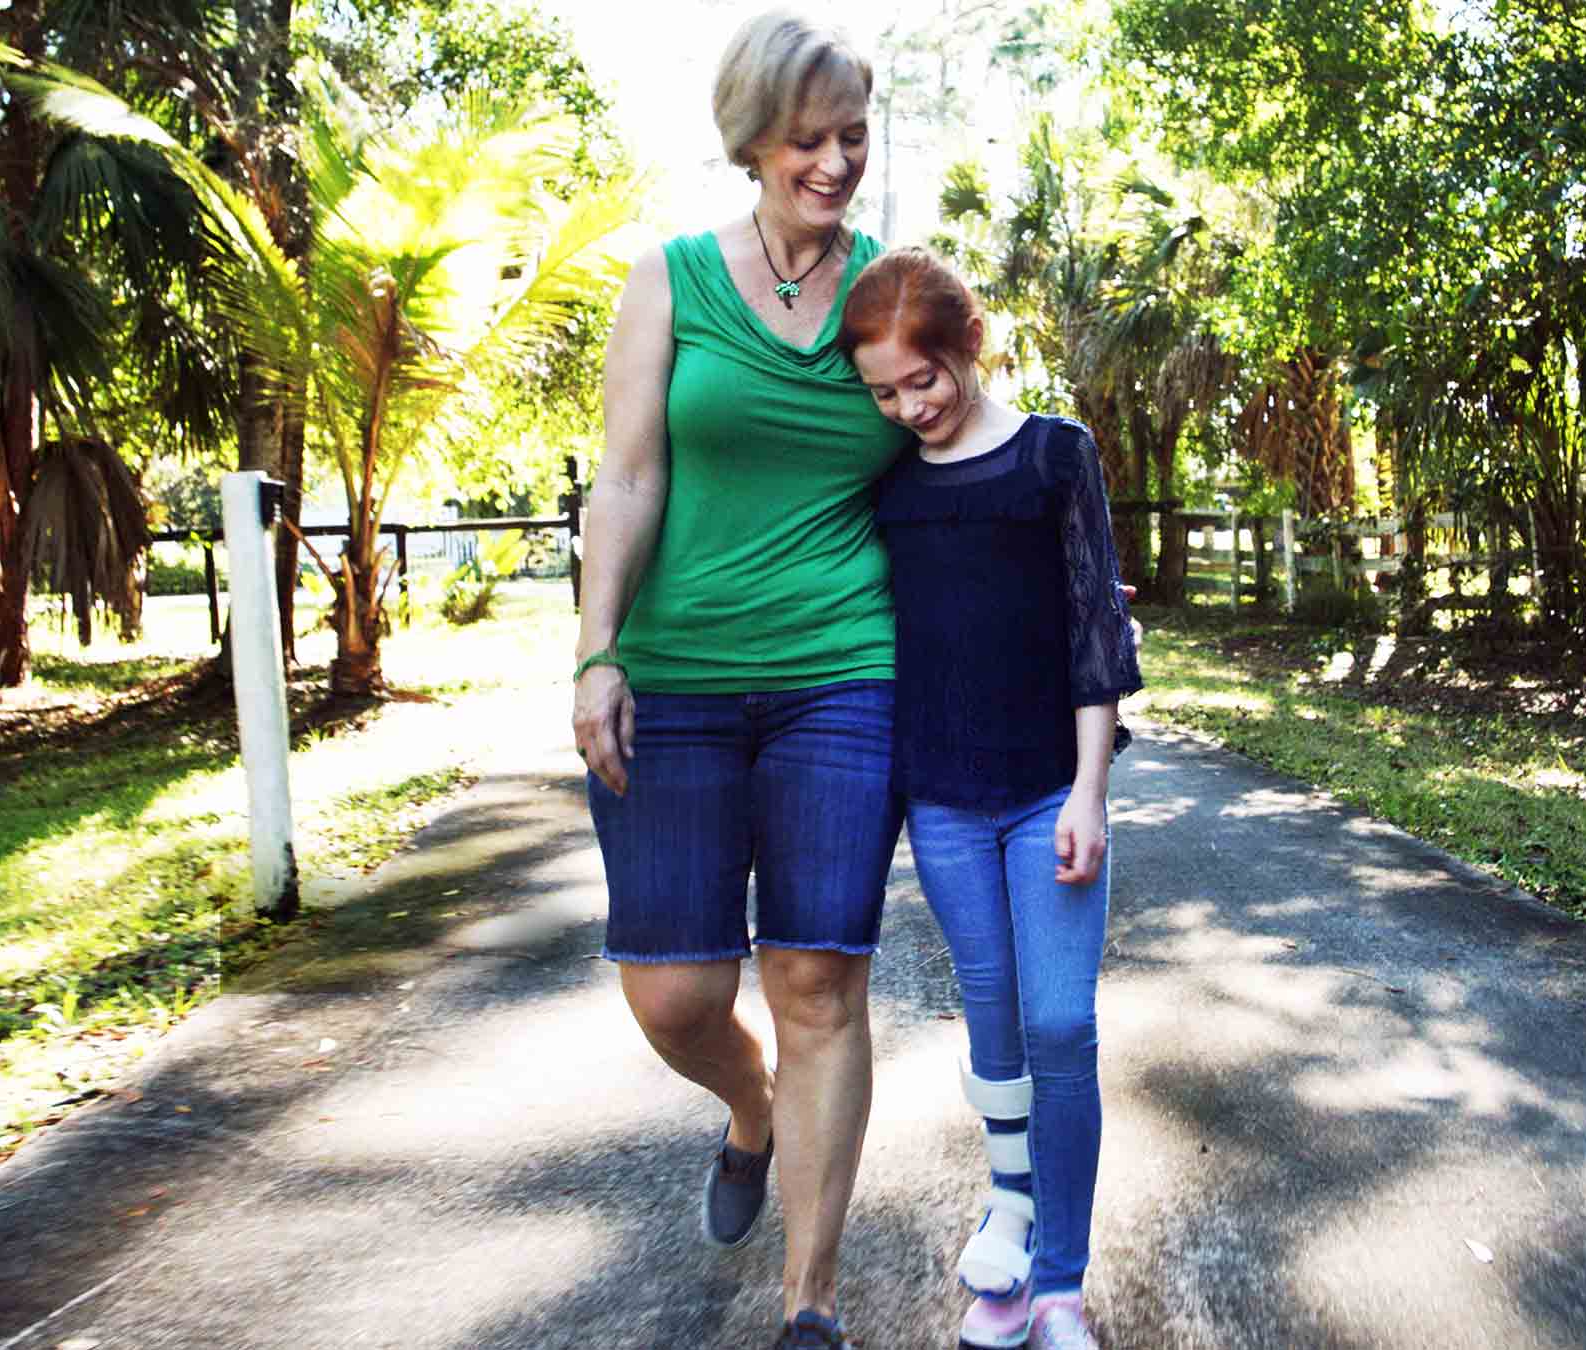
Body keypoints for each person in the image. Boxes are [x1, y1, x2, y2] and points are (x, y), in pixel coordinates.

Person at [569, 12, 907, 1349]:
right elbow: (631, 472)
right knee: (678, 993)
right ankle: (748, 1100)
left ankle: (809, 1302)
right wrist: (597, 649)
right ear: (754, 137)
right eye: (810, 138)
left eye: (854, 137)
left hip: (844, 671)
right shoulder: (670, 280)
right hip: (679, 674)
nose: (835, 162)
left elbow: (956, 436)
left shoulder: (890, 289)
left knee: (819, 978)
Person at [836, 247, 1141, 1350]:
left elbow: (1096, 632)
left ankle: (1058, 1280)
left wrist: (1092, 792)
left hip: (1049, 790)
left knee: (1062, 1024)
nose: (909, 406)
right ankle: (1011, 1246)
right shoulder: (890, 487)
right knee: (996, 1025)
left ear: (969, 346)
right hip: (946, 800)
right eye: (884, 391)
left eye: (924, 378)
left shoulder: (1057, 456)